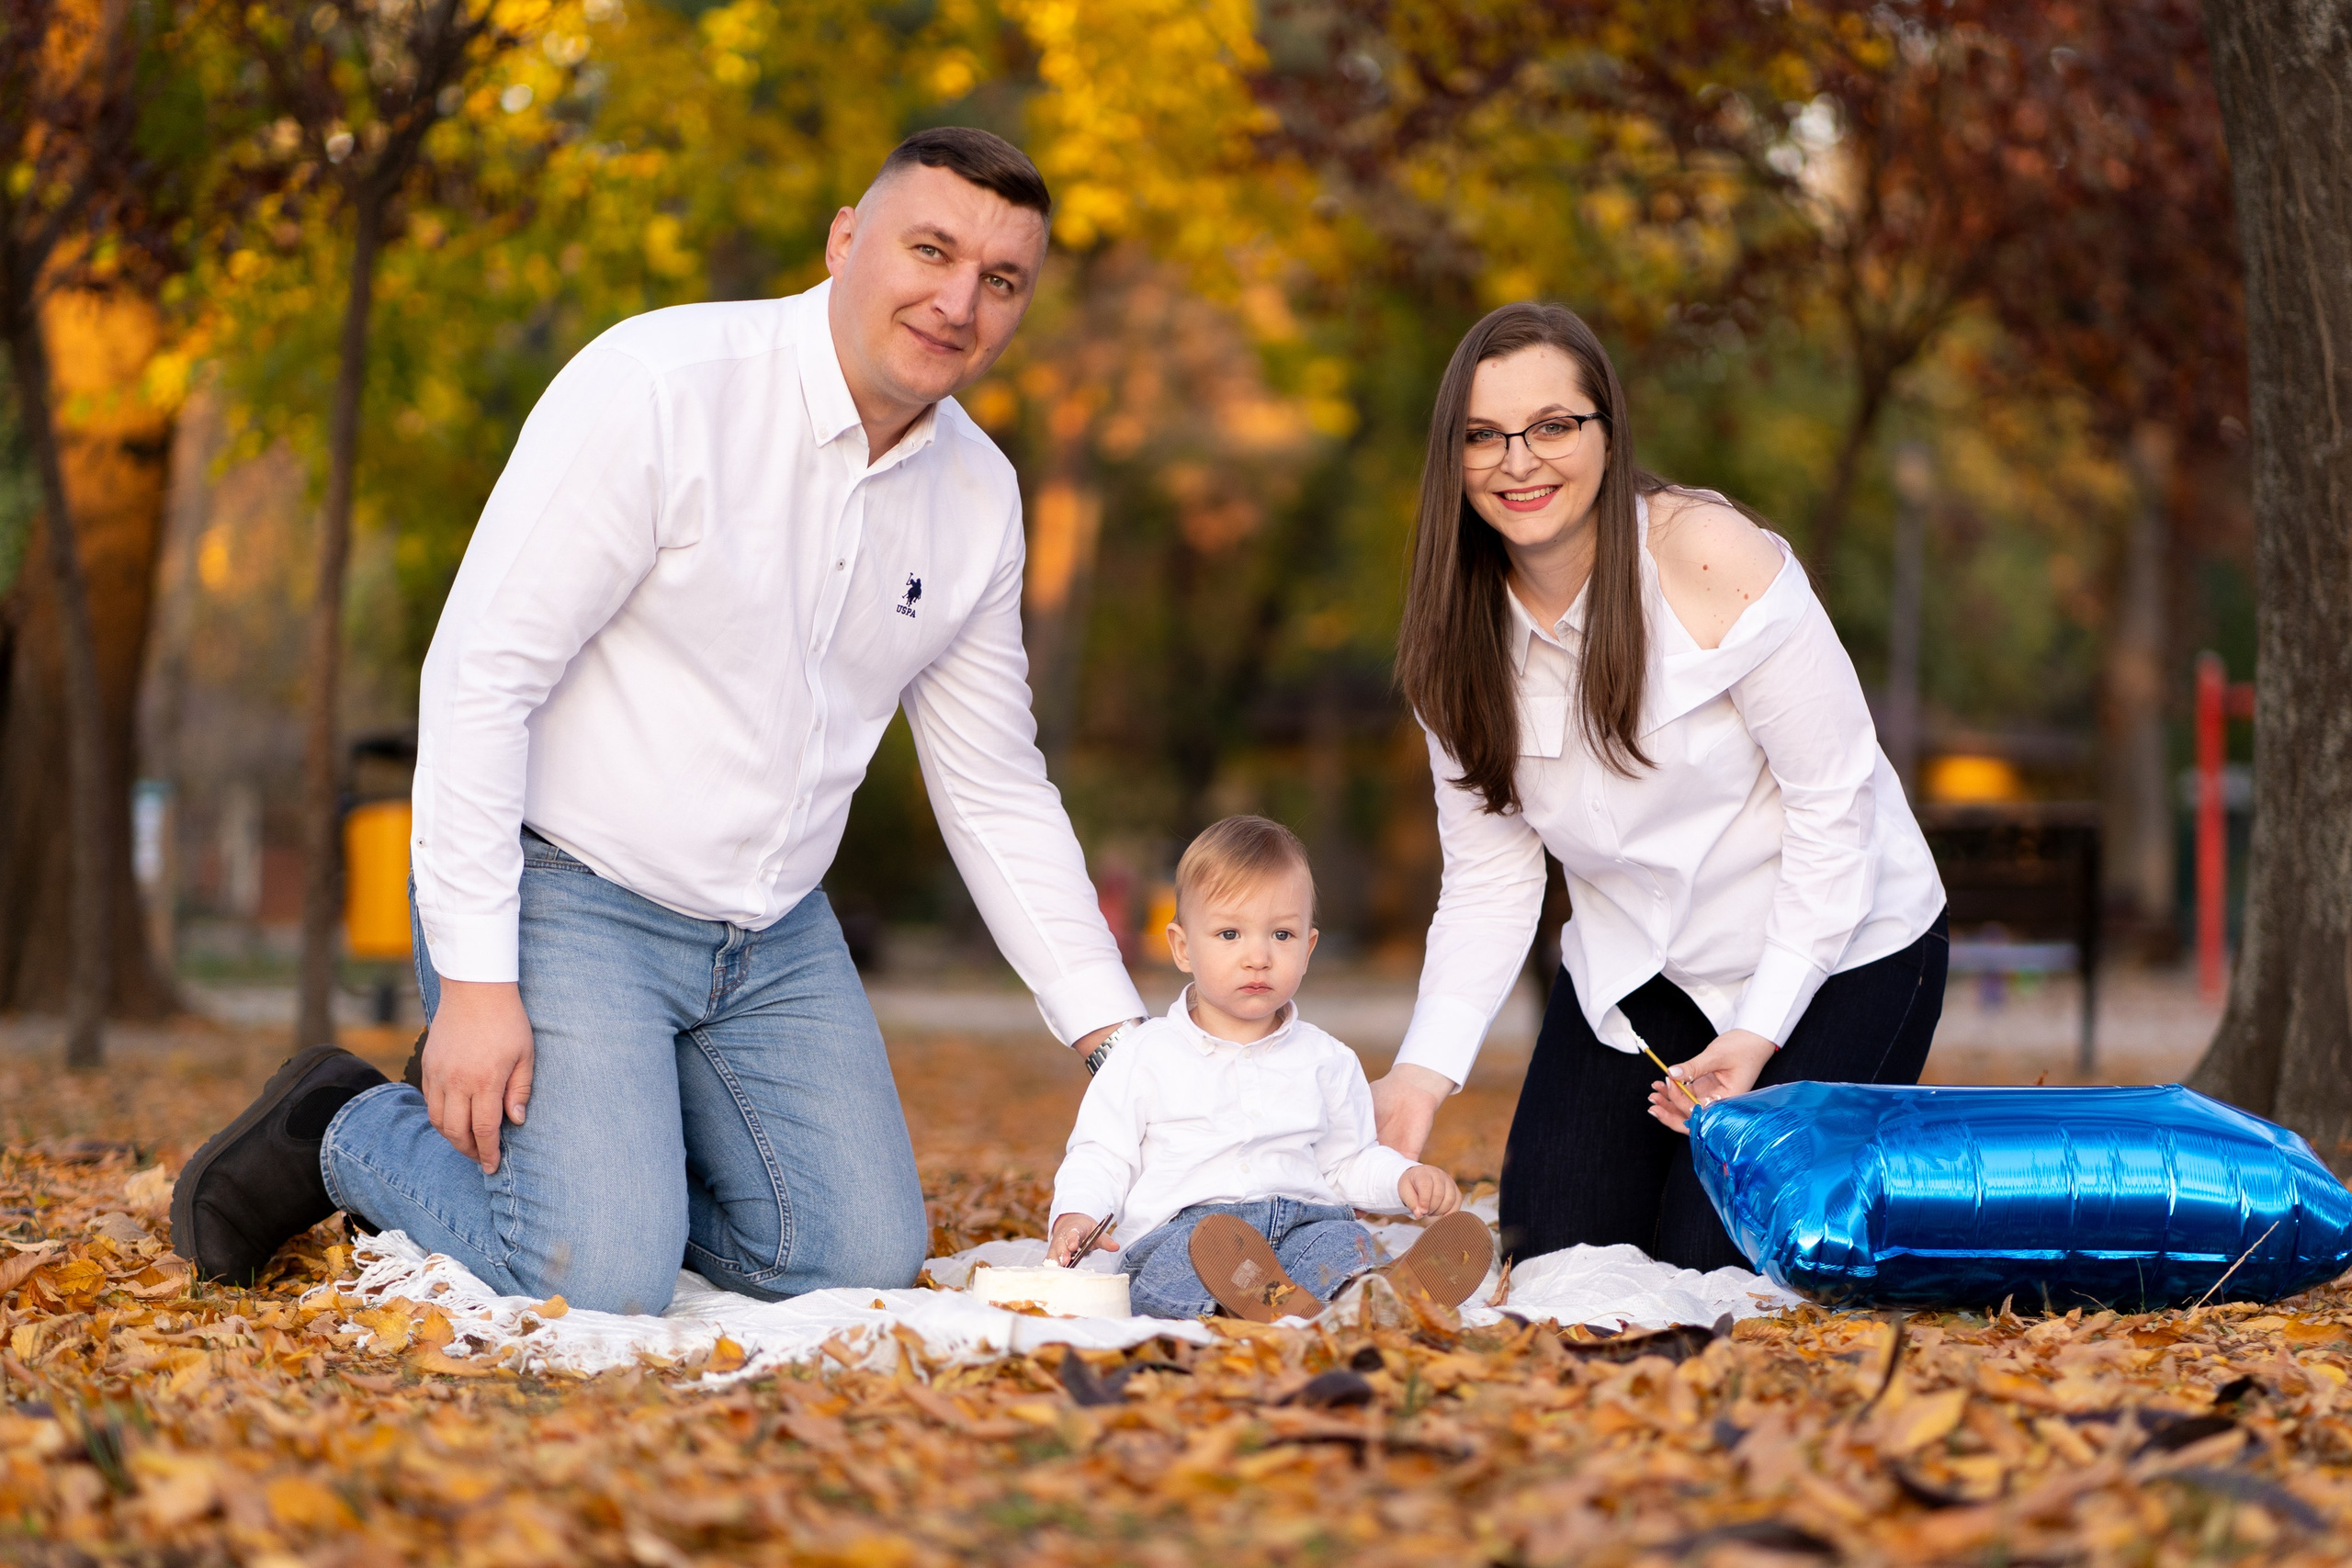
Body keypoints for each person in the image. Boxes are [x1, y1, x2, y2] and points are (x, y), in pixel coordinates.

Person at [172, 128, 1152, 1313]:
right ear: (846, 241)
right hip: (565, 893)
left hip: (773, 939)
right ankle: (344, 1123)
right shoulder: (660, 386)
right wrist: (478, 985)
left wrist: (1118, 1041)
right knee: (593, 1276)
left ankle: (614, 1163)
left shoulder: (979, 499)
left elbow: (993, 784)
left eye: (999, 281)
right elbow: (482, 677)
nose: (956, 301)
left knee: (852, 1262)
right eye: (930, 250)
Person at [1367, 302, 1950, 1273]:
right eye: (1483, 436)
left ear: (1606, 431)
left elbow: (1833, 803)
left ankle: (1909, 1201)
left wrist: (1758, 1034)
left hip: (1840, 952)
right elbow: (1490, 879)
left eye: (1553, 426)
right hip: (1639, 973)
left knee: (1713, 1266)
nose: (1519, 461)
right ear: (1452, 457)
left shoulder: (1705, 554)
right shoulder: (1451, 643)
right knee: (1554, 1259)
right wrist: (1421, 1076)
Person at [1046, 816, 1493, 1322]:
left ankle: (1373, 1297)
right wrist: (1077, 1212)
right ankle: (1253, 1301)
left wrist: (1403, 1178)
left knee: (1341, 1240)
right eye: (1230, 933)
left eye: (1281, 934)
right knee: (1182, 1259)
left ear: (1308, 948)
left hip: (1301, 1224)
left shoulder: (1328, 1060)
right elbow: (1101, 1154)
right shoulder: (1143, 1055)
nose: (1258, 956)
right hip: (1189, 1231)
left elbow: (1346, 1163)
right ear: (1183, 947)